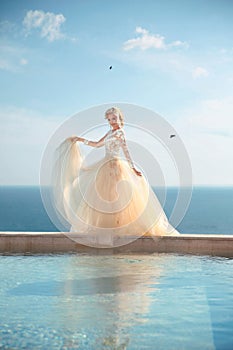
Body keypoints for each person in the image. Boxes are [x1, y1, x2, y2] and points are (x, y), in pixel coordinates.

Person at [51, 106, 180, 246]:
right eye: (110, 119)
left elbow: (126, 150)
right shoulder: (110, 132)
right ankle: (107, 228)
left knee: (117, 198)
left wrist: (132, 167)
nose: (112, 121)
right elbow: (97, 145)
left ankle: (118, 228)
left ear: (120, 118)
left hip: (116, 167)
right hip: (105, 166)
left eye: (114, 118)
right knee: (103, 198)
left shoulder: (120, 133)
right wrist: (80, 140)